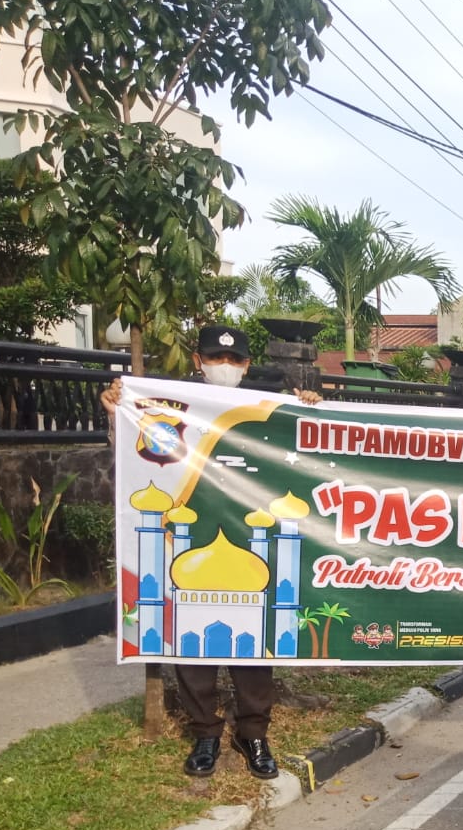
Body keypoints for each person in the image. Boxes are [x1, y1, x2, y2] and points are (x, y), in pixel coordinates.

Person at [102, 323, 321, 780]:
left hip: (249, 535)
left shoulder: (263, 411)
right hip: (190, 534)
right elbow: (136, 455)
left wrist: (313, 411)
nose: (226, 367)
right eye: (216, 359)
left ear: (246, 365)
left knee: (255, 646)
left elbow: (305, 454)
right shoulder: (174, 408)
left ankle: (253, 733)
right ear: (198, 361)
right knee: (191, 642)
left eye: (235, 360)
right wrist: (116, 412)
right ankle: (206, 731)